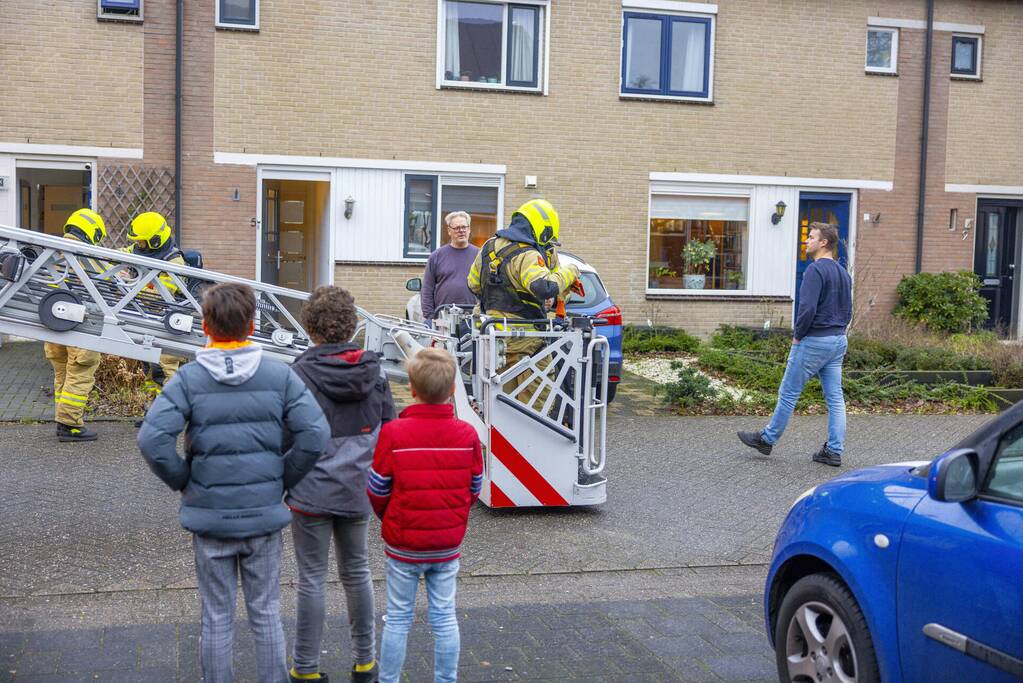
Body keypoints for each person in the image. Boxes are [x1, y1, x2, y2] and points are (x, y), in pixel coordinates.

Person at [137, 282, 329, 683]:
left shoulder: (188, 380)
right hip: (263, 520)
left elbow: (153, 440)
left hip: (211, 521)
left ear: (205, 325)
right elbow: (315, 434)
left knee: (217, 616)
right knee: (265, 613)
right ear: (253, 324)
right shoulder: (280, 376)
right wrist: (281, 478)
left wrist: (185, 481)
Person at [285, 286, 396, 683]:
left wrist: (285, 480)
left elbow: (286, 435)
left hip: (310, 491)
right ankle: (365, 663)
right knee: (358, 572)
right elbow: (390, 434)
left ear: (310, 327)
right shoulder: (375, 373)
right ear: (351, 326)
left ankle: (305, 668)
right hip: (357, 489)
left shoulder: (297, 373)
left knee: (311, 578)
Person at [367, 348, 483, 683]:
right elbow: (474, 486)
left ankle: (388, 680)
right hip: (446, 543)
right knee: (445, 616)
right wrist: (455, 513)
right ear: (451, 391)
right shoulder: (467, 435)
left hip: (403, 544)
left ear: (412, 389)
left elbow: (377, 488)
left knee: (399, 617)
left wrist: (390, 517)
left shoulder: (393, 434)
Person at [738, 222, 852, 467]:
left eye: (811, 237)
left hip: (814, 340)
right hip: (838, 340)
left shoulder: (815, 270)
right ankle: (833, 451)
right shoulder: (843, 273)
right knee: (835, 397)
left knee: (788, 393)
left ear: (823, 243)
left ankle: (766, 439)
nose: (806, 241)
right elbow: (848, 309)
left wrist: (798, 335)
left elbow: (807, 308)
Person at [466, 199, 580, 403]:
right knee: (533, 407)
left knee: (496, 404)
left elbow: (473, 284)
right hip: (527, 346)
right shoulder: (528, 254)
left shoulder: (488, 246)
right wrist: (571, 272)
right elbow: (545, 287)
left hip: (492, 342)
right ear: (543, 230)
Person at [43, 208, 107, 442]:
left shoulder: (51, 250)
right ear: (92, 231)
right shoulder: (86, 255)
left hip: (52, 329)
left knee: (62, 375)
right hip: (80, 328)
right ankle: (70, 425)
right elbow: (109, 283)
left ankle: (63, 420)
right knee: (80, 374)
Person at [124, 211, 188, 410]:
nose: (138, 245)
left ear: (155, 241)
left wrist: (129, 282)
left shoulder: (174, 262)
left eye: (142, 242)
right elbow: (118, 255)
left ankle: (167, 415)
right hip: (149, 324)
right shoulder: (139, 250)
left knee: (165, 373)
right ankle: (151, 415)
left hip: (167, 327)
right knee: (149, 371)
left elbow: (158, 295)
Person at [421, 211, 480, 321]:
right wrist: (430, 318)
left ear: (469, 229)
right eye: (456, 228)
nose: (461, 231)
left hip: (472, 320)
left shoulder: (480, 256)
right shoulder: (436, 256)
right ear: (449, 230)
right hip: (443, 319)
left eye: (464, 227)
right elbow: (427, 289)